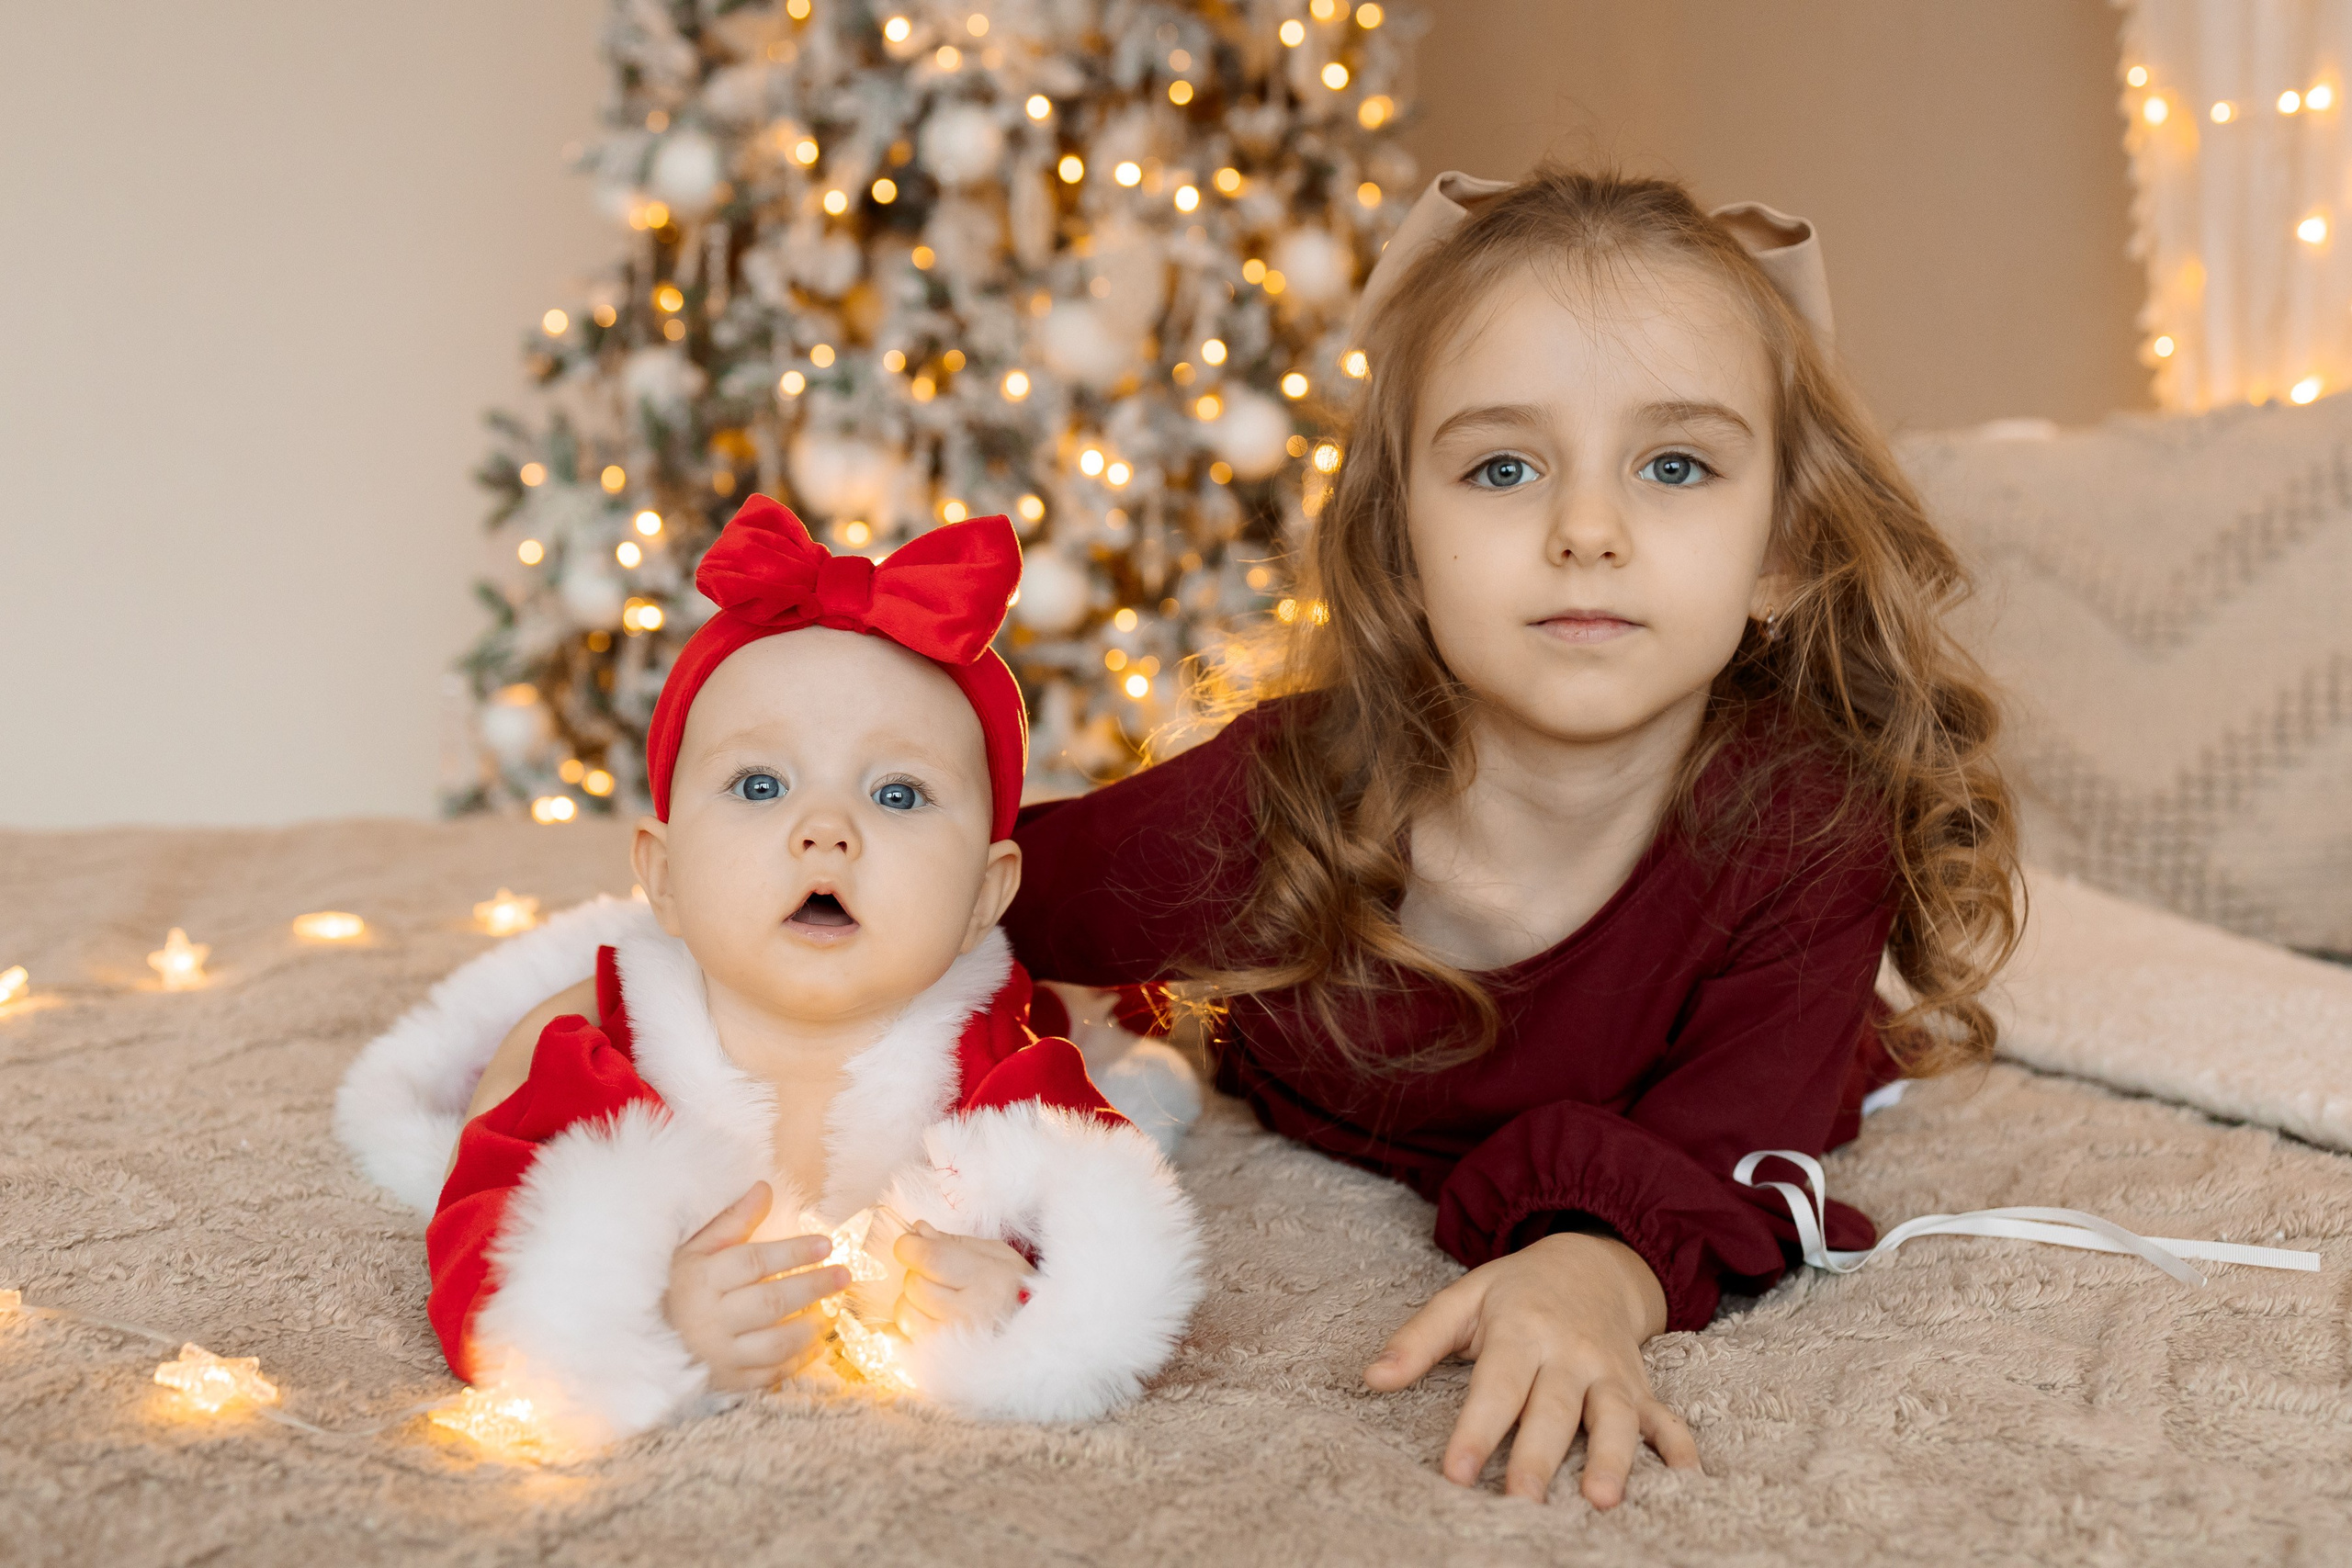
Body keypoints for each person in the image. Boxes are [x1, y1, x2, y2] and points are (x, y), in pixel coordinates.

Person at [1004, 167, 2019, 1509]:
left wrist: (1597, 1269)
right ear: (1402, 549)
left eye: (1674, 464)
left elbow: (1726, 1152)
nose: (1586, 531)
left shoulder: (1804, 824)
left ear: (1780, 551)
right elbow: (988, 889)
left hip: (1739, 1057)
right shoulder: (1285, 796)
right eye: (1502, 466)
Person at [335, 500, 1203, 1448]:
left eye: (898, 792)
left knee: (1120, 1047)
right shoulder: (593, 1055)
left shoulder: (998, 1055)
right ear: (666, 877)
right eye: (760, 785)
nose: (825, 829)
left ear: (981, 898)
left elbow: (1099, 1215)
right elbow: (490, 1251)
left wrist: (1023, 1304)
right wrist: (654, 1331)